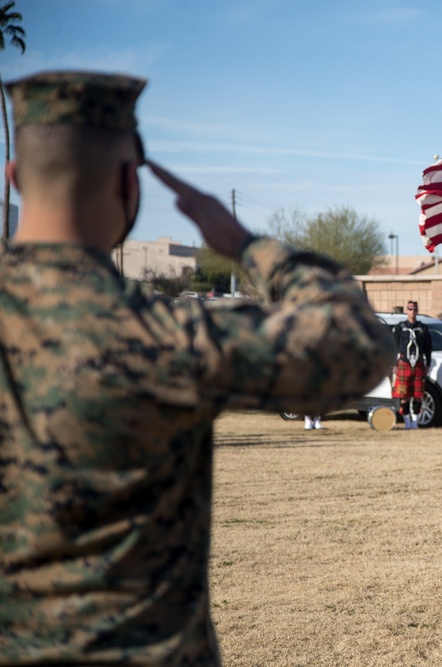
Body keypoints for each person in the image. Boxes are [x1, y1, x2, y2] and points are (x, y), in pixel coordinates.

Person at [0, 71, 395, 665]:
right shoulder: (165, 337)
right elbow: (355, 341)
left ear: (14, 177)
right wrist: (245, 244)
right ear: (127, 183)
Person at [391, 300, 432, 428]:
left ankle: (415, 422)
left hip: (419, 364)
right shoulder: (399, 327)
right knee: (404, 395)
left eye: (414, 309)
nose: (412, 312)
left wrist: (428, 364)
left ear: (417, 311)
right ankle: (407, 422)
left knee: (418, 395)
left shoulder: (423, 328)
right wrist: (394, 365)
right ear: (406, 311)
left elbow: (428, 348)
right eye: (410, 309)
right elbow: (393, 347)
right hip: (404, 363)